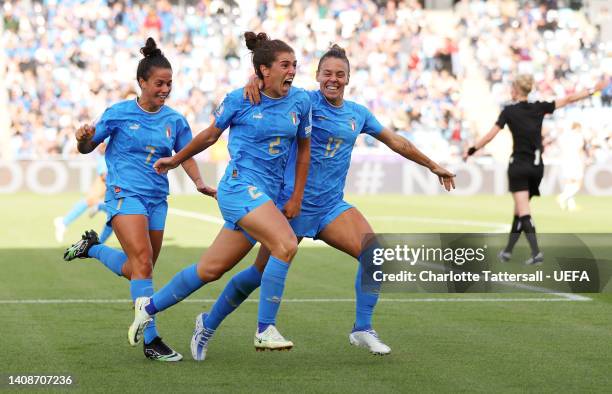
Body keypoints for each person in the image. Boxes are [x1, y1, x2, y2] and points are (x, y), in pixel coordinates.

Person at [184, 44, 456, 360]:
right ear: (317, 76)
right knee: (257, 275)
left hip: (330, 208)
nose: (333, 79)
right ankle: (208, 324)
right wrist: (252, 80)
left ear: (348, 78)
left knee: (375, 252)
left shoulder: (358, 113)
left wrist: (432, 164)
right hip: (290, 206)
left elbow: (396, 141)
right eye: (327, 73)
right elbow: (270, 75)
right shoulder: (302, 100)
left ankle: (362, 328)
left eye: (340, 74)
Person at [128, 32, 312, 353]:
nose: (293, 70)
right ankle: (264, 328)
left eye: (295, 64)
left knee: (210, 270)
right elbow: (211, 135)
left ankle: (150, 308)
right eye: (285, 65)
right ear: (264, 70)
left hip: (268, 198)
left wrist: (296, 196)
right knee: (285, 244)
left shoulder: (302, 101)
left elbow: (305, 151)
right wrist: (176, 159)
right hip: (239, 188)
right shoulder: (240, 99)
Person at [62, 37, 213, 361]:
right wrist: (83, 140)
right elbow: (88, 147)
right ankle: (152, 340)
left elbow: (185, 153)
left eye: (169, 84)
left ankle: (93, 248)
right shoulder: (117, 113)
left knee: (138, 269)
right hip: (123, 194)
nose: (165, 89)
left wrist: (199, 181)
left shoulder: (175, 120)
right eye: (159, 83)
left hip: (157, 200)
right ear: (142, 82)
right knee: (143, 261)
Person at [464, 74, 608, 264]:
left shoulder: (508, 111)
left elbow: (490, 136)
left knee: (524, 211)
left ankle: (536, 253)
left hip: (519, 165)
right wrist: (592, 90)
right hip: (537, 167)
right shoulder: (539, 107)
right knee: (519, 210)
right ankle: (507, 251)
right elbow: (568, 99)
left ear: (515, 90)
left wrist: (472, 150)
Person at [54, 142, 113, 244]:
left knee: (114, 214)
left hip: (113, 180)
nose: (100, 147)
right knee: (93, 202)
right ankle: (64, 222)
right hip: (111, 181)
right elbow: (104, 176)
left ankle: (65, 222)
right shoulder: (103, 159)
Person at [556, 122, 587, 211]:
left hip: (565, 160)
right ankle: (563, 197)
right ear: (577, 128)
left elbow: (561, 148)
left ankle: (571, 205)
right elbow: (580, 150)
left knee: (569, 182)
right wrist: (583, 161)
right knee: (578, 183)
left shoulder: (564, 136)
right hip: (575, 160)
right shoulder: (578, 136)